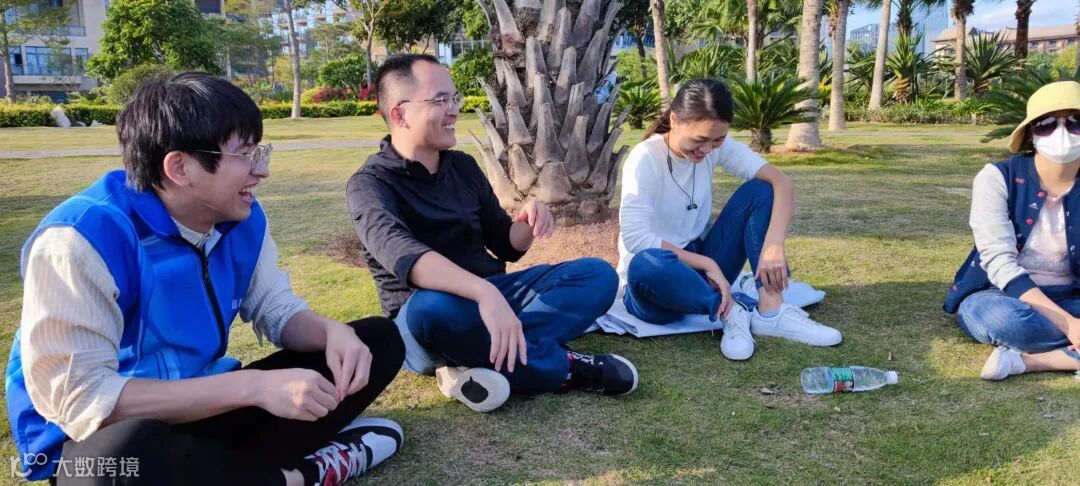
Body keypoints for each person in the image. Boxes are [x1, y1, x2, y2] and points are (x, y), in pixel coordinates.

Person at [5, 73, 405, 485]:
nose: (261, 171)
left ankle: (233, 470)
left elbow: (276, 308)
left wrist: (332, 333)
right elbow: (82, 400)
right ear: (179, 167)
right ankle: (304, 473)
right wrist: (253, 388)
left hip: (205, 401)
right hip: (94, 438)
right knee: (120, 462)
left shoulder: (241, 219)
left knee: (377, 341)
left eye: (259, 151)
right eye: (245, 155)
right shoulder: (80, 240)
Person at [347, 53, 638, 413]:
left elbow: (506, 245)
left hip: (495, 295)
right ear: (399, 114)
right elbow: (408, 259)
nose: (454, 109)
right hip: (426, 316)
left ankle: (472, 360)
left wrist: (528, 219)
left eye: (454, 98)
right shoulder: (370, 185)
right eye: (441, 99)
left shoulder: (463, 167)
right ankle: (563, 368)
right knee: (432, 309)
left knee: (597, 276)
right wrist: (484, 294)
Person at [616, 78, 843, 361]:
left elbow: (782, 182)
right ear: (674, 120)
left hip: (704, 262)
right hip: (657, 283)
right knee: (645, 264)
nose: (707, 149)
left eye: (718, 140)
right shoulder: (645, 158)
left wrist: (773, 246)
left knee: (760, 190)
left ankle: (771, 311)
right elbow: (636, 238)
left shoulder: (715, 146)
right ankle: (732, 309)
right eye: (699, 140)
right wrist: (707, 264)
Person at [945, 81, 1080, 380]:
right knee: (999, 320)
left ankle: (1034, 362)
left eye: (1076, 122)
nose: (1063, 133)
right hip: (1005, 296)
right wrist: (1069, 324)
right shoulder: (998, 177)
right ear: (1031, 133)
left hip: (1073, 295)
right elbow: (998, 261)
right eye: (1047, 124)